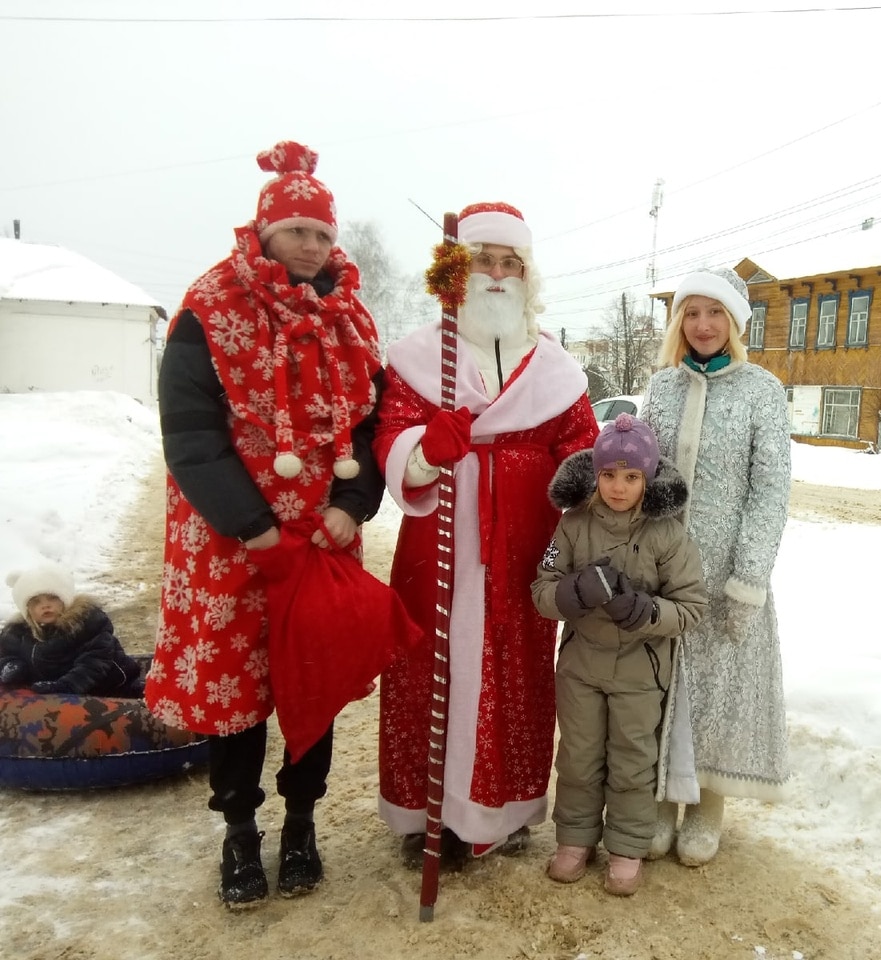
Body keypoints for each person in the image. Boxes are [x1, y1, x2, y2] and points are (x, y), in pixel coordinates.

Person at [144, 141, 385, 909]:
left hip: (320, 539)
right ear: (264, 228)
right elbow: (188, 436)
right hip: (228, 544)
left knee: (311, 677)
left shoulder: (351, 316)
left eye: (322, 232)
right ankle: (240, 833)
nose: (312, 247)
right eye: (297, 232)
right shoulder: (208, 305)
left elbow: (371, 429)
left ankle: (303, 823)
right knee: (237, 693)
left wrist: (352, 507)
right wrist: (251, 527)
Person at [373, 201, 599, 867]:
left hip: (524, 546)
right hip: (440, 542)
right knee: (428, 667)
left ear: (527, 277)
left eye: (510, 263)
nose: (497, 275)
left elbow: (579, 446)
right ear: (457, 272)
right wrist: (424, 447)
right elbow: (393, 433)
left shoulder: (555, 366)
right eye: (483, 261)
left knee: (515, 671)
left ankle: (504, 810)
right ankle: (428, 814)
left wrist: (571, 482)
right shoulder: (422, 358)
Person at [640, 266, 792, 867]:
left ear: (734, 322)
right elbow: (639, 474)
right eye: (692, 313)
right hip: (663, 566)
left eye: (715, 313)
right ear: (680, 322)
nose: (703, 325)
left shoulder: (762, 391)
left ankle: (706, 802)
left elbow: (770, 489)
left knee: (720, 687)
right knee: (658, 683)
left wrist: (749, 576)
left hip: (728, 565)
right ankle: (656, 801)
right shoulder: (663, 389)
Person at [531, 414, 708, 896]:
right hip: (580, 667)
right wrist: (574, 591)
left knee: (632, 759)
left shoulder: (667, 533)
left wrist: (647, 611)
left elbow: (691, 607)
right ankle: (574, 839)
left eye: (631, 477)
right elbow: (541, 590)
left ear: (648, 479)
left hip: (640, 671)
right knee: (579, 756)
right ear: (595, 474)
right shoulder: (572, 526)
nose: (618, 486)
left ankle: (628, 846)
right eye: (608, 475)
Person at [1, 563, 144, 697]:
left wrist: (66, 686)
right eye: (36, 602)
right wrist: (12, 666)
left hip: (110, 689)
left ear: (65, 599)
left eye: (52, 598)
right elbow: (5, 653)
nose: (45, 605)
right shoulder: (18, 632)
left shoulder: (87, 623)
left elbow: (94, 663)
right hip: (57, 692)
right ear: (26, 609)